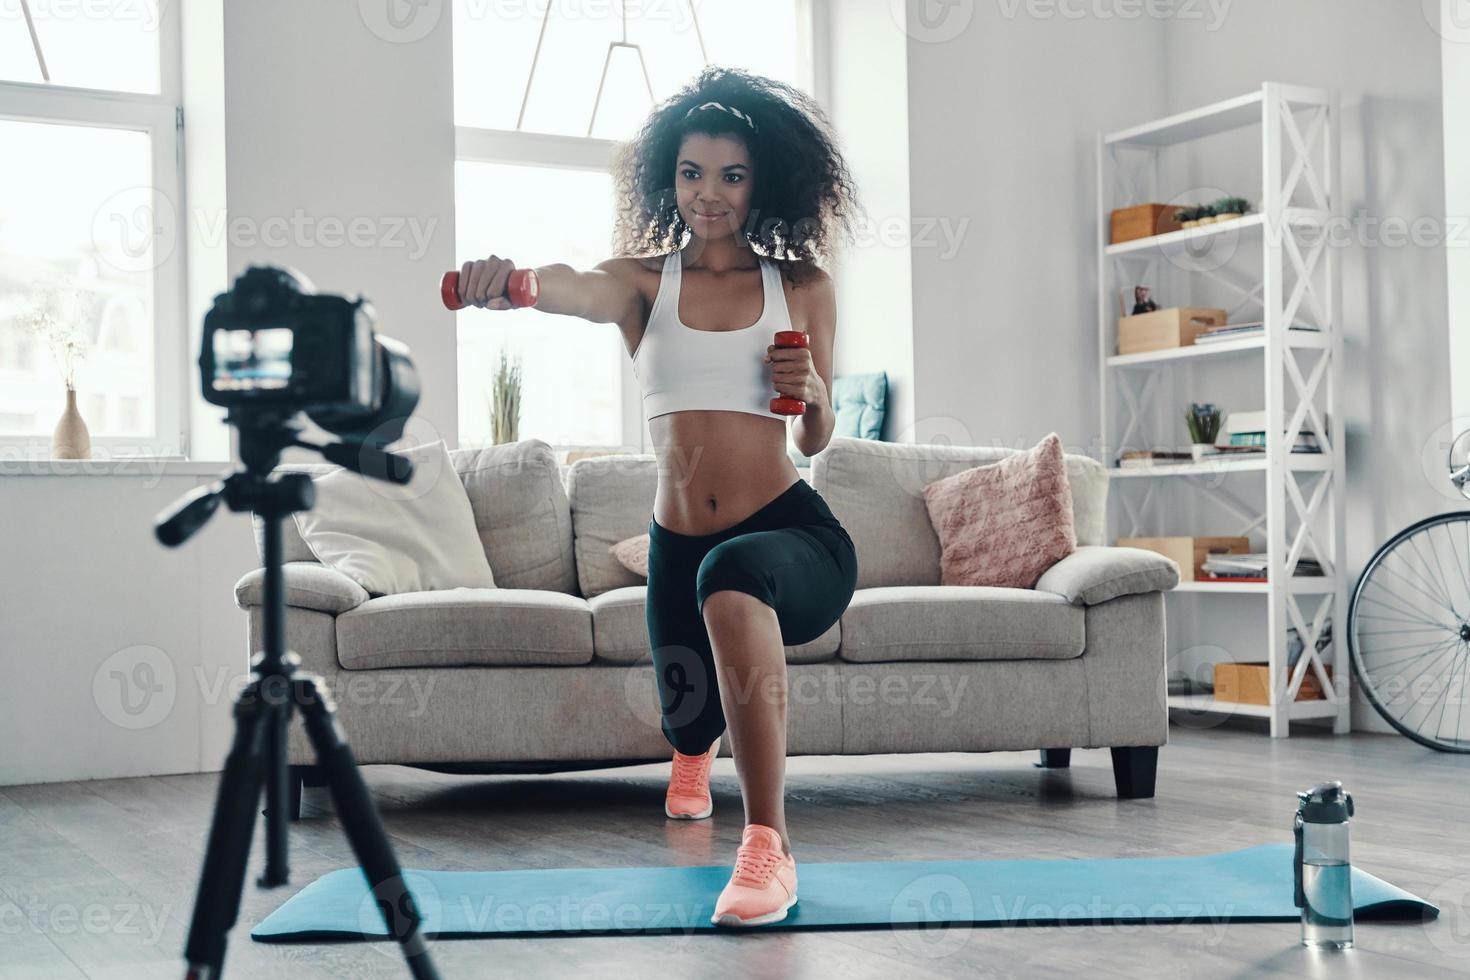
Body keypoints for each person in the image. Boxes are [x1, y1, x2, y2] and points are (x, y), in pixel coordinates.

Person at [452, 66, 861, 928]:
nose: (709, 195)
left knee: (735, 576)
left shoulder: (804, 285)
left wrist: (814, 390)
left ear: (765, 183)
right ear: (667, 181)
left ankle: (768, 848)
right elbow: (575, 285)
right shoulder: (646, 284)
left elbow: (815, 438)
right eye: (691, 174)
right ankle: (695, 750)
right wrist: (516, 282)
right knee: (684, 725)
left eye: (732, 176)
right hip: (677, 550)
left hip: (793, 536)